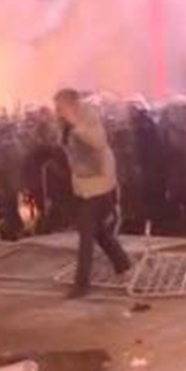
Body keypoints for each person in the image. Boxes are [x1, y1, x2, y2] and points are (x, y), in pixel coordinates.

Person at [55, 88, 131, 298]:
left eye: (60, 106)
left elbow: (98, 142)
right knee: (98, 232)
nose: (57, 111)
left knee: (86, 235)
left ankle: (81, 285)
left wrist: (75, 124)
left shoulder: (88, 117)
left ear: (71, 105)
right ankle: (122, 263)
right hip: (83, 185)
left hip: (99, 184)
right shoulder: (64, 125)